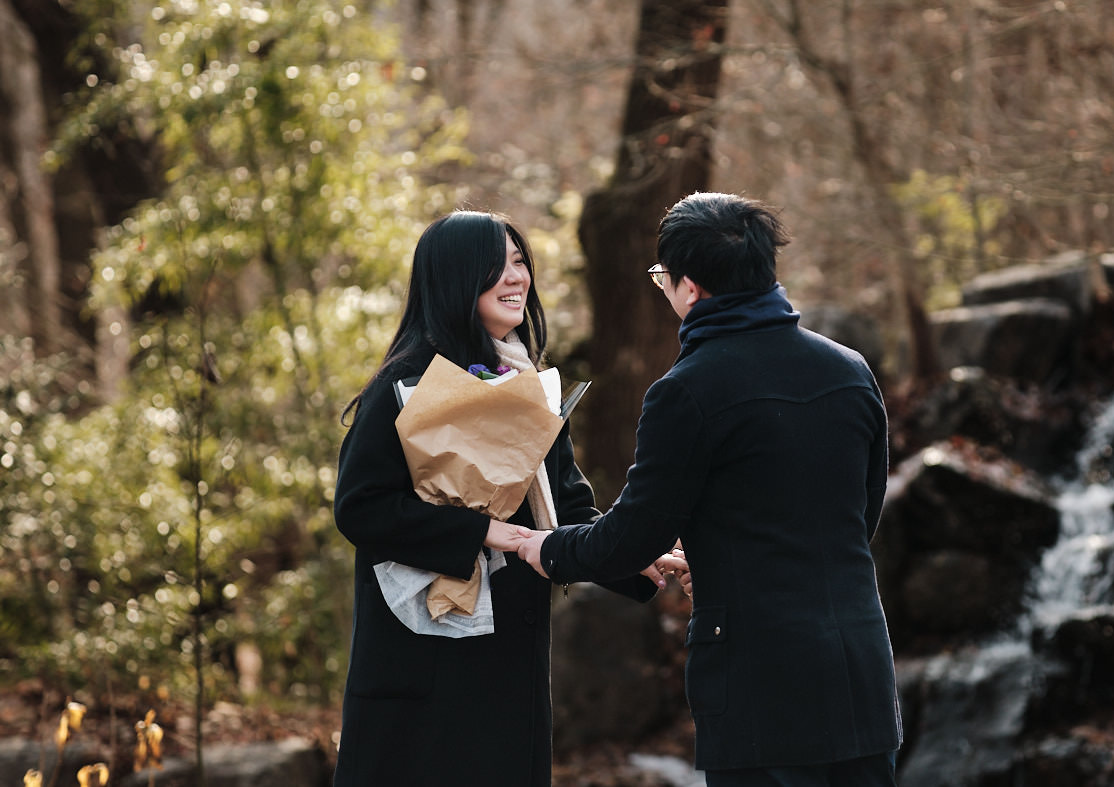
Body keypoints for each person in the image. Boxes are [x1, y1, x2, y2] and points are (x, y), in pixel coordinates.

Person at [519, 193, 902, 786]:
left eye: (661, 279)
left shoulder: (688, 392)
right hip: (861, 676)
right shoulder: (850, 370)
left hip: (760, 690)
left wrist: (542, 547)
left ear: (689, 288)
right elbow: (856, 518)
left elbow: (629, 540)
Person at [333, 210, 667, 786]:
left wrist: (636, 556)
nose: (516, 278)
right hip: (419, 664)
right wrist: (480, 530)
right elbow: (361, 507)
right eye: (497, 265)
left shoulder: (530, 388)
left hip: (506, 662)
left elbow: (569, 514)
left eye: (520, 263)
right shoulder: (405, 385)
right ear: (456, 277)